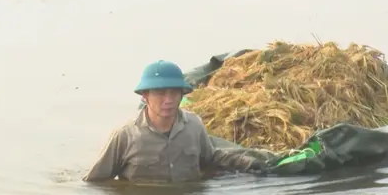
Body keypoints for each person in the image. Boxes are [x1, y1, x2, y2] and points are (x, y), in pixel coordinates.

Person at [82, 60, 267, 183]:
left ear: (182, 95)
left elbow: (211, 158)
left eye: (174, 93)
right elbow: (95, 182)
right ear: (145, 96)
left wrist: (246, 162)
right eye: (160, 93)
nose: (168, 100)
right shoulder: (125, 135)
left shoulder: (194, 126)